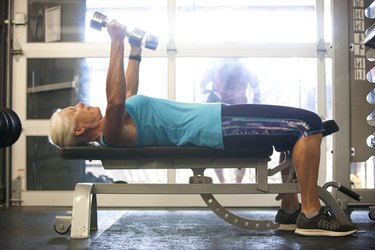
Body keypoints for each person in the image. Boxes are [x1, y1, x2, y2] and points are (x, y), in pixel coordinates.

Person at [49, 20, 358, 237]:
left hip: (220, 119)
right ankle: (311, 214)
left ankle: (290, 211)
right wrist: (115, 40)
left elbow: (127, 94)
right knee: (308, 124)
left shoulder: (115, 124)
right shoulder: (110, 133)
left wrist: (134, 49)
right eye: (74, 111)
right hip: (219, 127)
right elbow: (116, 100)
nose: (80, 105)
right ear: (78, 131)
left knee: (298, 128)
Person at [200, 58, 260, 183]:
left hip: (239, 111)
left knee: (242, 146)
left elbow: (256, 88)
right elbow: (202, 86)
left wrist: (255, 107)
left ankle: (237, 182)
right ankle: (223, 182)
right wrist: (211, 96)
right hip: (219, 111)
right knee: (217, 145)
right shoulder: (215, 66)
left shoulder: (244, 68)